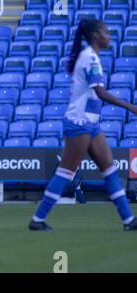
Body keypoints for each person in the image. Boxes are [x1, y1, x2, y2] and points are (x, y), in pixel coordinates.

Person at [28, 19, 137, 231]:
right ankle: (37, 219)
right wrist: (131, 107)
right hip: (79, 122)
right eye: (105, 31)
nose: (109, 35)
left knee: (109, 169)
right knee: (66, 173)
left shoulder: (90, 56)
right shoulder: (89, 58)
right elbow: (100, 93)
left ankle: (128, 220)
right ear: (95, 35)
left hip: (90, 123)